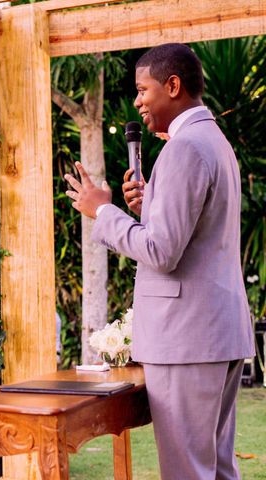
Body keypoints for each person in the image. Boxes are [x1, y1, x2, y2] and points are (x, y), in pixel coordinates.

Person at [64, 43, 254, 479]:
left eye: (142, 89)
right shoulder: (214, 142)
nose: (136, 101)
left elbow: (161, 252)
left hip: (187, 339)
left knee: (188, 471)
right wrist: (151, 203)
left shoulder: (184, 148)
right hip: (214, 332)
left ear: (173, 85)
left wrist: (102, 211)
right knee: (217, 469)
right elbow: (194, 235)